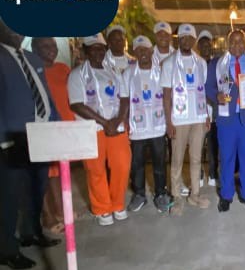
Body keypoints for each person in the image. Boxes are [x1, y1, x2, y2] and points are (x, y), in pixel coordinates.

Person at [0, 23, 62, 270]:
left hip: (41, 135)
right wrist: (3, 138)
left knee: (37, 188)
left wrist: (57, 126)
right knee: (10, 197)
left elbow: (45, 96)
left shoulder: (32, 58)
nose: (17, 32)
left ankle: (31, 233)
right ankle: (7, 250)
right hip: (13, 137)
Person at [68, 33, 131, 227]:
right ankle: (102, 208)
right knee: (95, 169)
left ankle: (117, 204)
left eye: (101, 49)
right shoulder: (77, 74)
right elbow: (77, 104)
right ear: (86, 51)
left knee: (122, 165)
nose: (98, 52)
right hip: (92, 128)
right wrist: (104, 123)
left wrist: (117, 120)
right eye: (93, 48)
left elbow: (124, 98)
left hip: (116, 127)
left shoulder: (114, 72)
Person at [206, 29, 245, 212]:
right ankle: (226, 195)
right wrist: (216, 96)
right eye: (233, 41)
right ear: (227, 44)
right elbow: (208, 87)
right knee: (227, 158)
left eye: (240, 41)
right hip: (226, 119)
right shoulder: (216, 64)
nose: (237, 45)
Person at [34, 35, 84, 235]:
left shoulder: (63, 69)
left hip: (66, 127)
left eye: (53, 45)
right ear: (35, 48)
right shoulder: (33, 70)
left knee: (60, 171)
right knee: (45, 175)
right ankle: (48, 216)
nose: (51, 49)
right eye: (44, 46)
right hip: (46, 128)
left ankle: (62, 210)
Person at [161, 23, 212, 216]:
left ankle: (195, 194)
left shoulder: (201, 63)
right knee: (176, 160)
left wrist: (206, 115)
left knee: (196, 158)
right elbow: (166, 96)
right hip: (179, 119)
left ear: (194, 40)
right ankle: (177, 197)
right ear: (178, 39)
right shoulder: (169, 63)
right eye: (183, 37)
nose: (186, 40)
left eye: (190, 37)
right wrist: (168, 122)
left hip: (198, 118)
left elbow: (202, 91)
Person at [125, 36, 172, 215]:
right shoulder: (128, 74)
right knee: (137, 164)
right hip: (137, 128)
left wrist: (169, 121)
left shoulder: (161, 72)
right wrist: (125, 122)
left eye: (145, 49)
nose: (143, 53)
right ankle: (139, 194)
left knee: (159, 163)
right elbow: (124, 100)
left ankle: (160, 193)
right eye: (139, 50)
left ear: (152, 51)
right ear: (134, 52)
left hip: (158, 127)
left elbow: (168, 97)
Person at [197, 30, 220, 191]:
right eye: (203, 45)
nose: (206, 48)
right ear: (198, 47)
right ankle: (198, 174)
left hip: (214, 111)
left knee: (213, 145)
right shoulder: (194, 63)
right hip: (197, 112)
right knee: (197, 145)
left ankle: (213, 173)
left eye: (208, 45)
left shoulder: (217, 63)